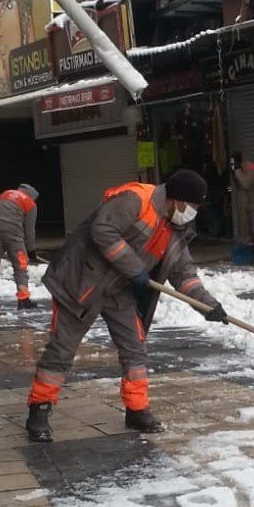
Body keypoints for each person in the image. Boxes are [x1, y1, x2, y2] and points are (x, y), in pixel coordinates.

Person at [25, 169, 229, 442]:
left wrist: (208, 306)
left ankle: (137, 409)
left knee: (134, 348)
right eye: (191, 206)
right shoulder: (136, 200)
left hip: (119, 290)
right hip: (82, 283)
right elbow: (102, 229)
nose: (192, 212)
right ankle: (39, 409)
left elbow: (184, 275)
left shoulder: (176, 230)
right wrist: (134, 267)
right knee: (62, 349)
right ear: (177, 199)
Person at [0, 182, 40, 311]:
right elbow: (29, 231)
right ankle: (23, 300)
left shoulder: (5, 194)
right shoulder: (30, 203)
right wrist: (31, 250)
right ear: (32, 195)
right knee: (20, 266)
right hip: (14, 234)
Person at [231, 151, 254, 262]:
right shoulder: (241, 170)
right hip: (249, 205)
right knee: (249, 232)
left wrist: (237, 171)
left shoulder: (252, 169)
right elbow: (238, 186)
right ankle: (252, 253)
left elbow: (245, 184)